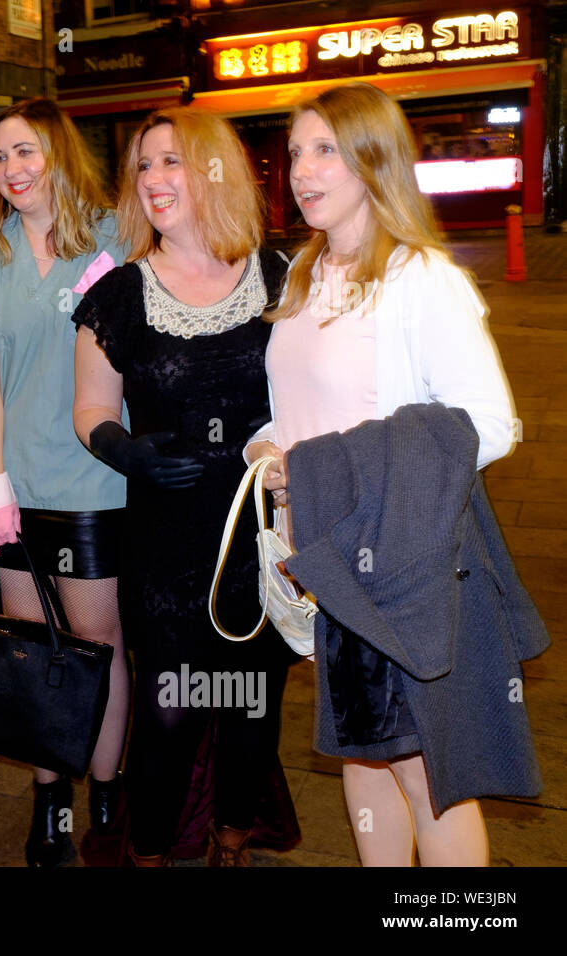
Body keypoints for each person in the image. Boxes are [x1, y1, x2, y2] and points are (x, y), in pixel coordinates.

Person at [249, 81, 527, 865]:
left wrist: (332, 474)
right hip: (328, 562)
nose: (302, 170)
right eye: (296, 151)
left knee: (424, 771)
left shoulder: (420, 277)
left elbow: (492, 424)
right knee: (364, 754)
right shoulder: (305, 272)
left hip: (397, 560)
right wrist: (264, 452)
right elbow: (303, 413)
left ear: (374, 161)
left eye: (325, 150)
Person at [71, 107, 296, 866]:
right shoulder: (119, 293)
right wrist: (124, 451)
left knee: (253, 704)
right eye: (143, 166)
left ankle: (234, 838)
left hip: (260, 532)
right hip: (165, 541)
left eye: (171, 161)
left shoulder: (279, 275)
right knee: (169, 707)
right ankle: (152, 851)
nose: (155, 180)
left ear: (213, 169)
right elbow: (91, 409)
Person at [0, 97, 130, 867]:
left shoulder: (116, 234)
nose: (12, 170)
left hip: (96, 478)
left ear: (59, 153)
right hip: (13, 484)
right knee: (32, 647)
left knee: (98, 642)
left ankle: (108, 796)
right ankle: (51, 801)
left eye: (25, 152)